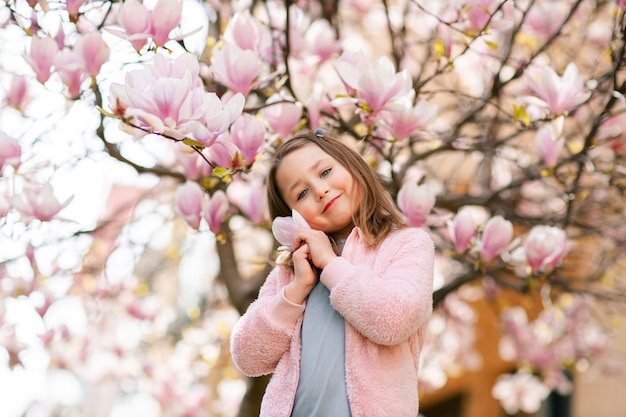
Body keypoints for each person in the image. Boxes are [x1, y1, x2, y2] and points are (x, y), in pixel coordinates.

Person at [230, 130, 435, 417]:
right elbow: (248, 357)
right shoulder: (290, 274)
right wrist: (295, 291)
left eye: (325, 171)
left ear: (352, 166)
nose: (320, 190)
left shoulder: (405, 245)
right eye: (301, 193)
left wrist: (330, 263)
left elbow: (395, 319)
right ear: (292, 216)